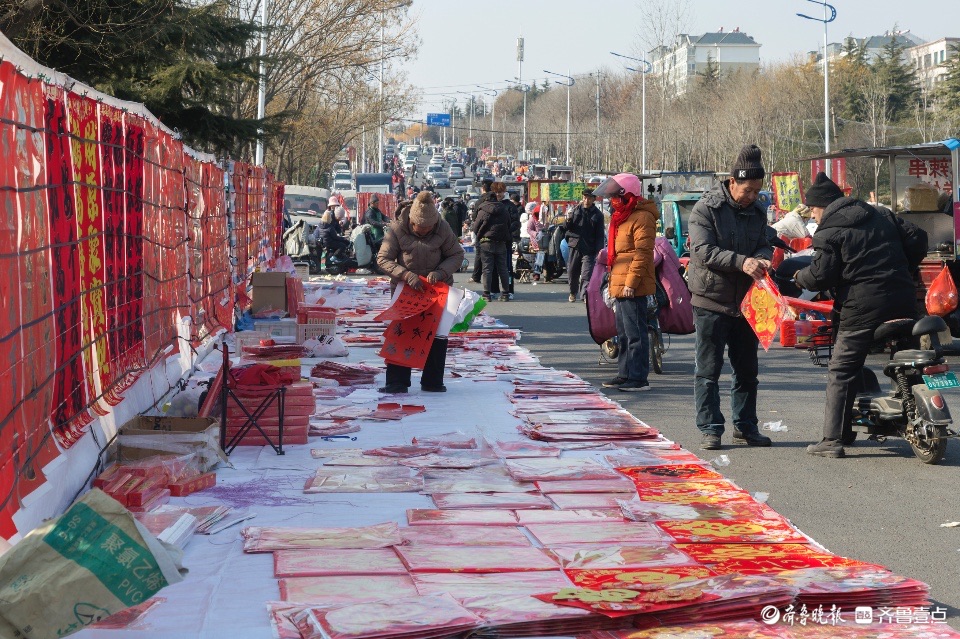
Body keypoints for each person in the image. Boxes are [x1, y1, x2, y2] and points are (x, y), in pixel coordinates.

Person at [794, 172, 928, 458]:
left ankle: (832, 440)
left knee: (842, 369)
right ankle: (915, 413)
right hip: (904, 301)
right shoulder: (881, 214)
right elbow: (919, 237)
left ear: (825, 205)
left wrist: (798, 276)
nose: (814, 216)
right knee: (910, 361)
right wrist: (902, 268)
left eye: (814, 210)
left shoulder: (829, 230)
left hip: (862, 309)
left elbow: (819, 276)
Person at [687, 144, 774, 450]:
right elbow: (701, 250)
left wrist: (763, 258)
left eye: (757, 191)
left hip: (746, 303)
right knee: (708, 371)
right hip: (712, 301)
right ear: (732, 182)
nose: (752, 196)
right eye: (748, 190)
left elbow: (766, 243)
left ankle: (746, 425)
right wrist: (742, 262)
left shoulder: (757, 211)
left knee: (747, 371)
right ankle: (711, 427)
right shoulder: (706, 209)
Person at [377, 191, 465, 394]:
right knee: (402, 333)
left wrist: (441, 272)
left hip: (436, 290)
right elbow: (383, 259)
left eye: (429, 228)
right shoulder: (397, 228)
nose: (425, 231)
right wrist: (406, 275)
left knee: (437, 335)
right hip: (406, 289)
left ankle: (432, 381)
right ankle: (397, 382)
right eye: (421, 228)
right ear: (412, 221)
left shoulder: (442, 227)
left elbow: (456, 254)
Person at [593, 173, 658, 392]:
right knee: (622, 332)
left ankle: (638, 378)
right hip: (619, 281)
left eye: (615, 197)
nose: (612, 202)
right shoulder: (622, 217)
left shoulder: (642, 217)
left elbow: (642, 254)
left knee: (635, 333)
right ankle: (625, 373)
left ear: (627, 195)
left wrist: (630, 283)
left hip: (633, 284)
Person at [472, 181, 512, 302]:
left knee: (487, 269)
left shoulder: (483, 209)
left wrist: (480, 234)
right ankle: (505, 294)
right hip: (501, 242)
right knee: (503, 269)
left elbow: (475, 227)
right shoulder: (504, 209)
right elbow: (509, 224)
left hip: (486, 242)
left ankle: (486, 294)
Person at [565, 188, 605, 302]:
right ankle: (573, 292)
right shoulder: (575, 210)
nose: (586, 200)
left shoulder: (598, 215)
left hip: (589, 249)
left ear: (593, 199)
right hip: (574, 246)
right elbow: (566, 227)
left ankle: (584, 295)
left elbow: (600, 235)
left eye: (589, 198)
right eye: (584, 197)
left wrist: (599, 251)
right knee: (572, 272)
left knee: (586, 273)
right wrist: (568, 219)